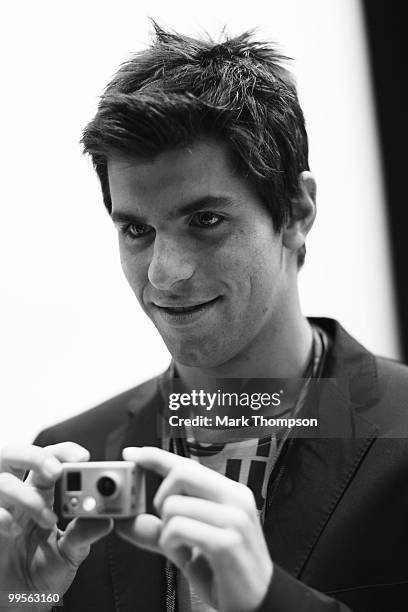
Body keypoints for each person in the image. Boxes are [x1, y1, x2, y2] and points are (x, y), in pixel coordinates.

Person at [1, 22, 408, 612]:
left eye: (206, 221)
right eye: (137, 230)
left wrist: (269, 601)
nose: (165, 274)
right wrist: (20, 601)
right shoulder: (75, 453)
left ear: (296, 210)